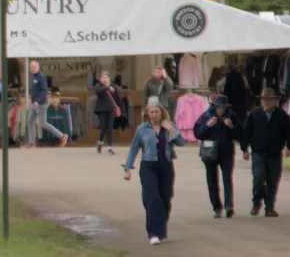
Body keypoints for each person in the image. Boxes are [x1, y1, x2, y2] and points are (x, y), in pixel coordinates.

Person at [123, 101, 185, 244]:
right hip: (148, 166)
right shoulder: (142, 129)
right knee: (152, 199)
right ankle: (153, 233)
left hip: (166, 166)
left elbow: (182, 142)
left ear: (161, 112)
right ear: (147, 114)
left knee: (165, 199)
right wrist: (127, 168)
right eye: (151, 112)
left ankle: (160, 228)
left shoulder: (168, 126)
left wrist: (171, 130)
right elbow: (134, 149)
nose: (154, 115)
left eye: (156, 112)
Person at [240, 89, 290, 217]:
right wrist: (245, 149)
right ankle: (256, 203)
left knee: (273, 181)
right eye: (264, 100)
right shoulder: (255, 114)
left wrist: (289, 147)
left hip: (275, 153)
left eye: (269, 100)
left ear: (274, 101)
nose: (266, 102)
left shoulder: (281, 115)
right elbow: (246, 132)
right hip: (258, 152)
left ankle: (270, 207)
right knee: (258, 177)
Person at [192, 95, 240, 218]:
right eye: (219, 107)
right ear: (215, 106)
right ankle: (217, 207)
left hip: (226, 152)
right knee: (212, 181)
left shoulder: (231, 116)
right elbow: (197, 133)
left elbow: (239, 133)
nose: (221, 110)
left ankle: (229, 206)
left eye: (223, 107)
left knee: (227, 179)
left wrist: (231, 127)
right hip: (210, 152)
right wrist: (208, 126)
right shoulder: (206, 116)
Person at [25, 60, 69, 148]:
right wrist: (33, 100)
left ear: (38, 67)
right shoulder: (33, 77)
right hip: (34, 104)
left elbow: (44, 90)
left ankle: (62, 136)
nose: (33, 69)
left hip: (41, 104)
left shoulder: (41, 76)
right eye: (31, 67)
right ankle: (32, 142)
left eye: (34, 67)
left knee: (43, 123)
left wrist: (38, 100)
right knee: (29, 121)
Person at [89, 70, 122, 154]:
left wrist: (122, 109)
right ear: (100, 79)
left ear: (109, 78)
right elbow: (97, 91)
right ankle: (100, 142)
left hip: (111, 110)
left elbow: (118, 98)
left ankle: (109, 147)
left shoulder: (113, 86)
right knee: (103, 129)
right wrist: (107, 87)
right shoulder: (98, 86)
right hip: (101, 110)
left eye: (106, 77)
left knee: (110, 128)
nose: (104, 79)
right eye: (103, 77)